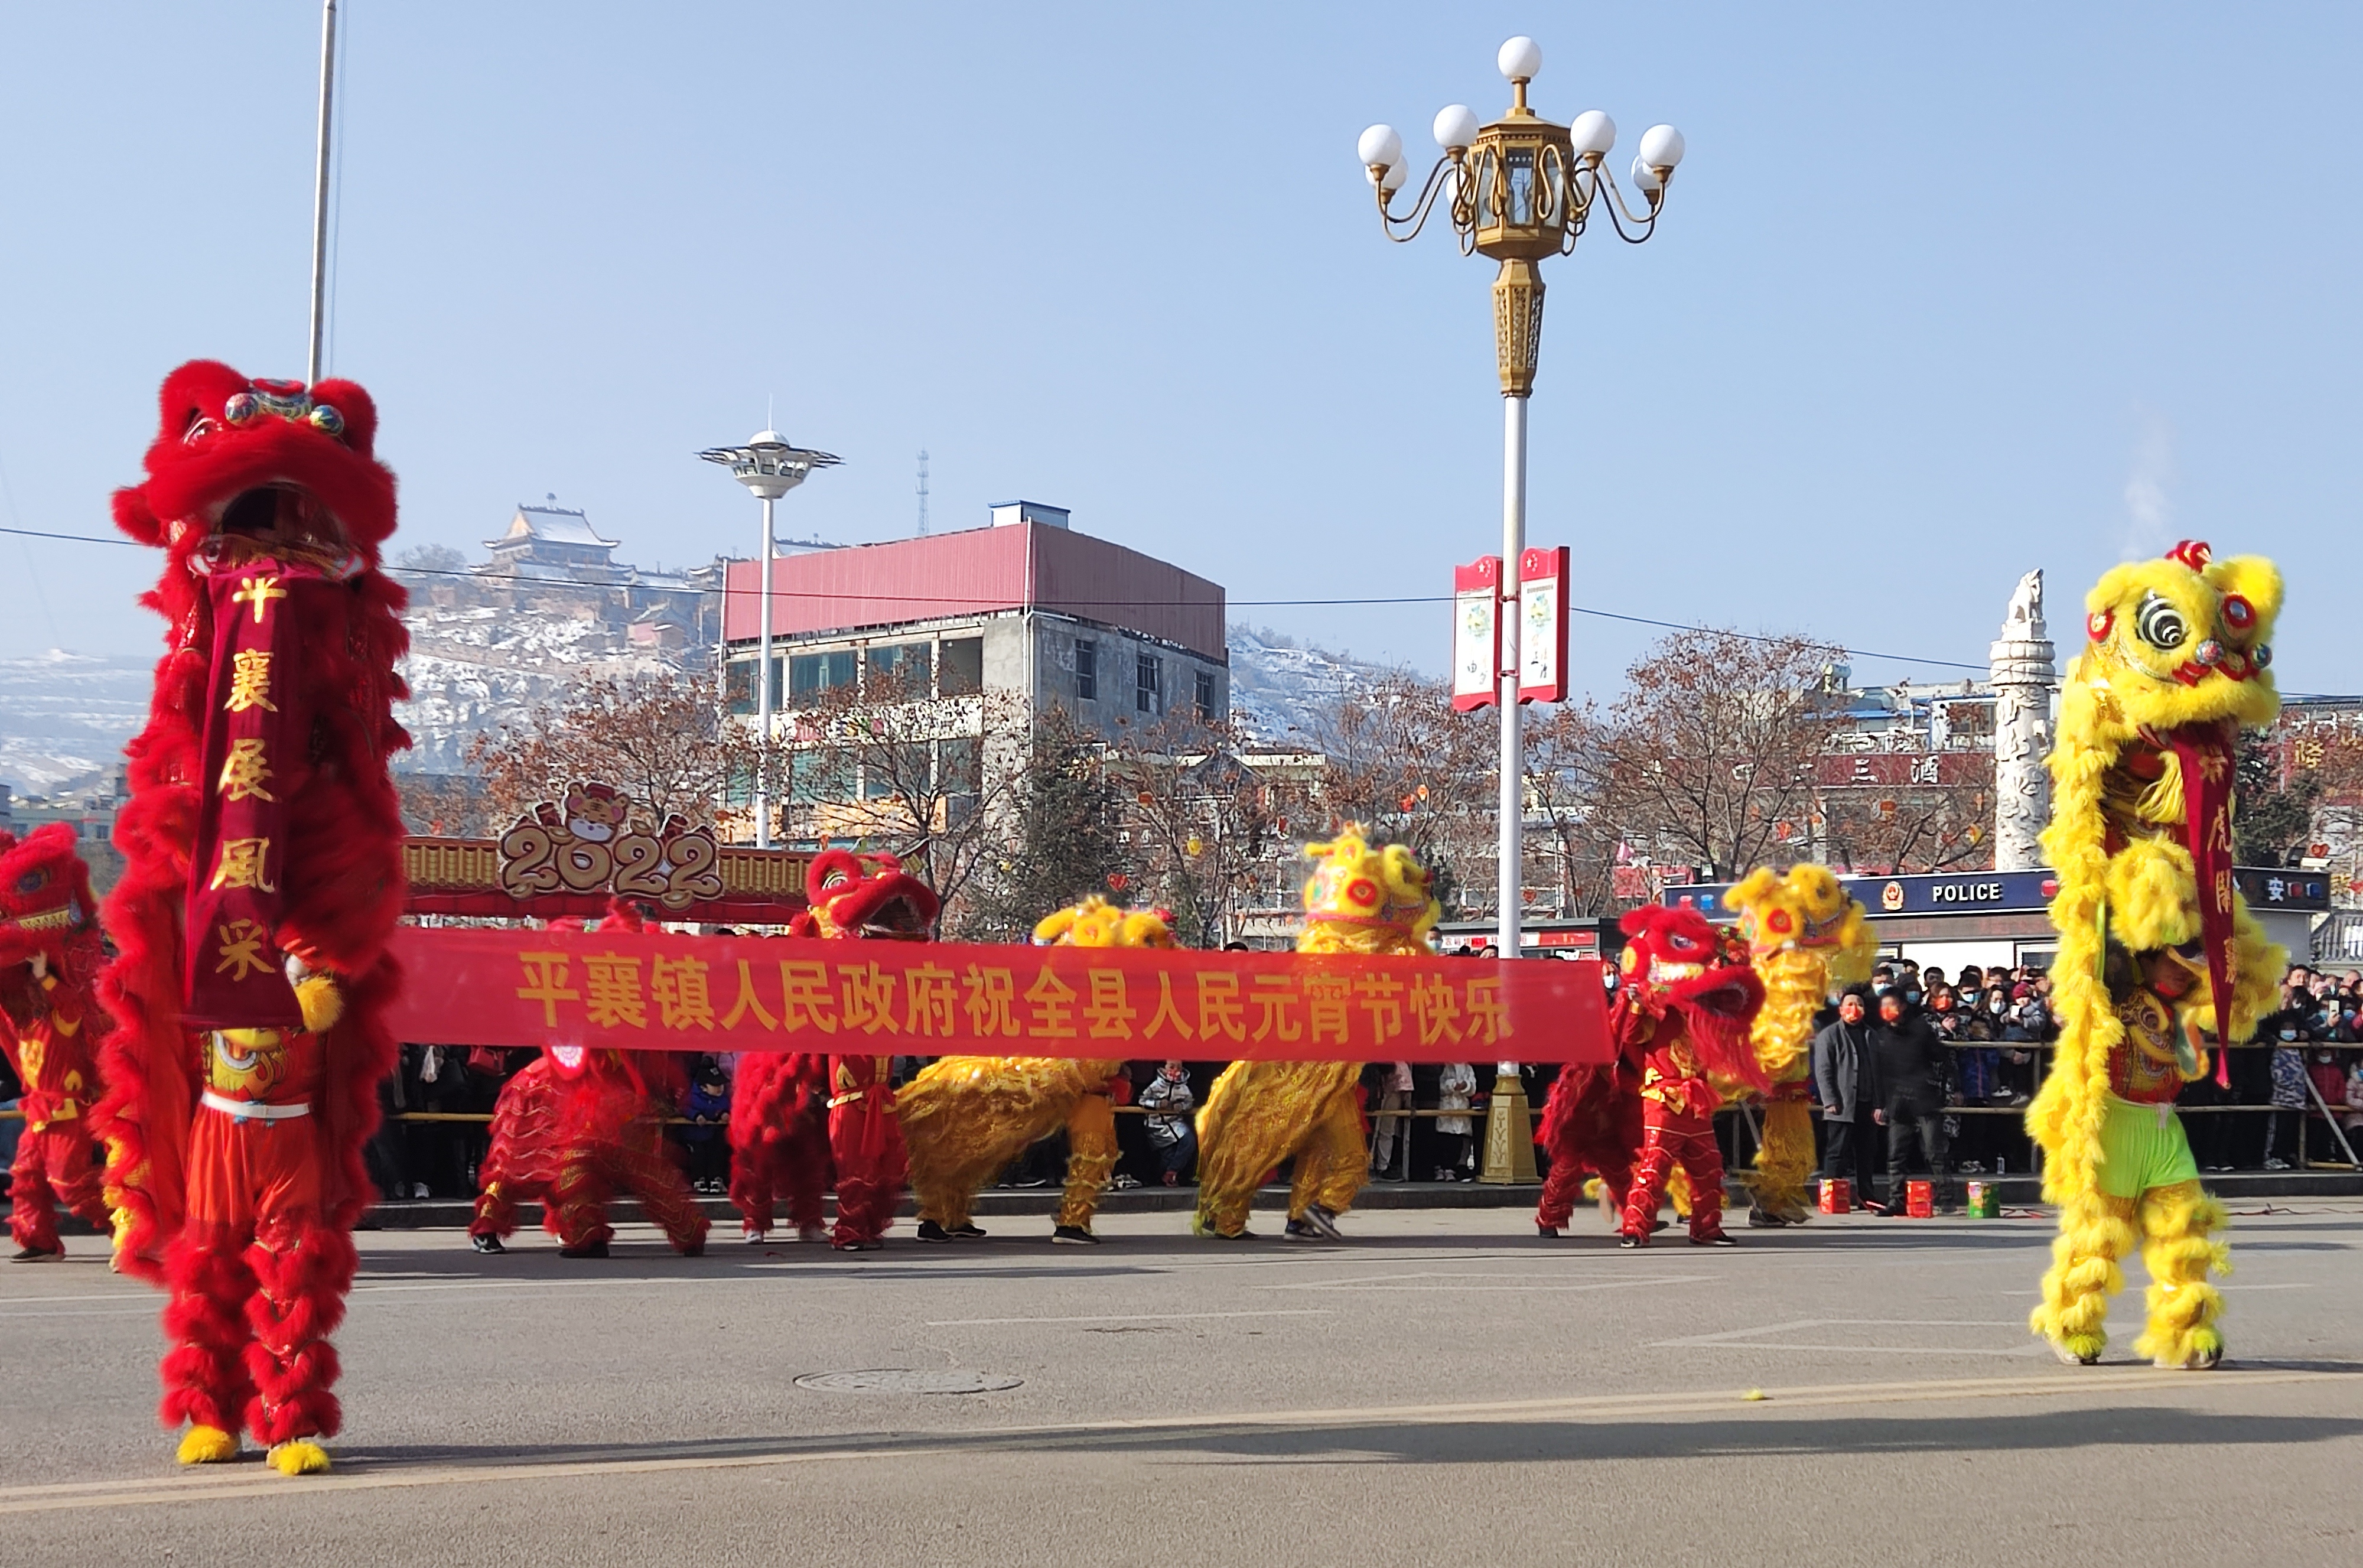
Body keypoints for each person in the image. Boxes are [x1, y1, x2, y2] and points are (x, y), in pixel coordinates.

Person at [1194, 827, 1437, 1242]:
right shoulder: (1333, 964)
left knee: (1326, 1153)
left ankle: (1302, 1218)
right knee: (1277, 1142)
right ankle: (1238, 1215)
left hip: (1334, 1078)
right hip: (1301, 1074)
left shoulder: (1348, 961)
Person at [1870, 988, 1957, 1213]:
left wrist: (1950, 1088)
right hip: (1897, 1101)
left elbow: (1942, 1058)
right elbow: (1877, 1074)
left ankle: (1946, 1198)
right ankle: (1895, 1201)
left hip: (1924, 1098)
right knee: (1896, 1154)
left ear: (1903, 1006)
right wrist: (1879, 1105)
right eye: (1884, 1006)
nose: (1888, 1010)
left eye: (1893, 1004)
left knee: (1934, 1150)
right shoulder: (1880, 1037)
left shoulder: (1920, 1029)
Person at [1810, 988, 1879, 1202]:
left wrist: (1880, 1103)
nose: (1854, 1009)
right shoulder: (1829, 1035)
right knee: (1837, 1152)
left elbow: (1880, 1071)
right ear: (1840, 1009)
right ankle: (1831, 1197)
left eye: (1859, 1005)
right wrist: (1829, 1100)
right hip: (1841, 1103)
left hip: (1867, 1102)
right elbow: (1823, 1070)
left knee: (1866, 1153)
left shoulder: (1872, 1035)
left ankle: (1866, 1195)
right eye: (1849, 1005)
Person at [1138, 1060, 1198, 1186]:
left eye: (1179, 1067)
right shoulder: (1155, 1086)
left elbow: (1189, 1102)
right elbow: (1142, 1100)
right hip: (1156, 1125)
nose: (1175, 1070)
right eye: (1172, 1066)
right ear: (1164, 1068)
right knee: (1167, 1157)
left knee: (1189, 1141)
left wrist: (1181, 1106)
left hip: (1176, 1123)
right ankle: (1162, 1179)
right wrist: (1157, 1104)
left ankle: (1171, 1173)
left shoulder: (1184, 1088)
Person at [1367, 1060, 1413, 1179]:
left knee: (1387, 1130)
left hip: (1396, 1091)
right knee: (1374, 1130)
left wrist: (1407, 1103)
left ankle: (1383, 1166)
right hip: (1378, 1088)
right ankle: (1369, 1165)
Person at [1433, 1062, 1477, 1182]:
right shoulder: (1446, 1066)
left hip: (1462, 1106)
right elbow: (1440, 1085)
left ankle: (1451, 1169)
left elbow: (1473, 1088)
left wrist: (1465, 1086)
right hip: (1446, 1106)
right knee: (1444, 1139)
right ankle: (1441, 1169)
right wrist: (1452, 1086)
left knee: (1457, 1139)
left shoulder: (1468, 1068)